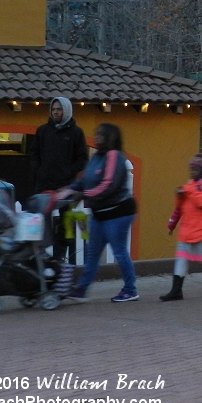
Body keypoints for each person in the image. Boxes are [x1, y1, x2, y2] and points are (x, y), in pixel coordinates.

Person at [62, 123, 138, 302]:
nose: (96, 137)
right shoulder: (96, 157)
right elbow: (86, 180)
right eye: (96, 134)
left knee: (119, 251)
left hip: (118, 212)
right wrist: (68, 190)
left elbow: (108, 185)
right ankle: (81, 289)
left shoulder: (114, 156)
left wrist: (83, 195)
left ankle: (130, 289)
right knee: (92, 252)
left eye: (101, 135)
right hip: (100, 213)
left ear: (110, 137)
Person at [29, 97, 89, 265]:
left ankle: (60, 257)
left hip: (65, 187)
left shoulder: (76, 133)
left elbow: (83, 158)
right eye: (53, 109)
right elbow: (34, 153)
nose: (56, 112)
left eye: (59, 109)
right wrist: (38, 170)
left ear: (67, 111)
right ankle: (40, 256)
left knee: (66, 223)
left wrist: (68, 172)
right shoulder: (42, 131)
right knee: (41, 222)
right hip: (43, 185)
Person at [160, 153, 202, 300]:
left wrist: (189, 191)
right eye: (191, 169)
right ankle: (176, 290)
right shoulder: (190, 186)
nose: (192, 173)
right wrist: (172, 223)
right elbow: (179, 208)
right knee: (181, 259)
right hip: (187, 231)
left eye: (195, 170)